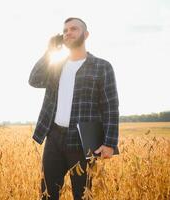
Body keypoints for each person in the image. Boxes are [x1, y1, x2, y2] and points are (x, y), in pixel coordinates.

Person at [28, 17, 119, 200]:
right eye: (65, 30)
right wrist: (49, 51)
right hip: (54, 137)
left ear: (85, 34)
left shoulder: (102, 67)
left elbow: (110, 106)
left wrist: (110, 142)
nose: (68, 32)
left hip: (83, 141)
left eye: (74, 29)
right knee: (47, 194)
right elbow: (34, 80)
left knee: (83, 195)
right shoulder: (56, 65)